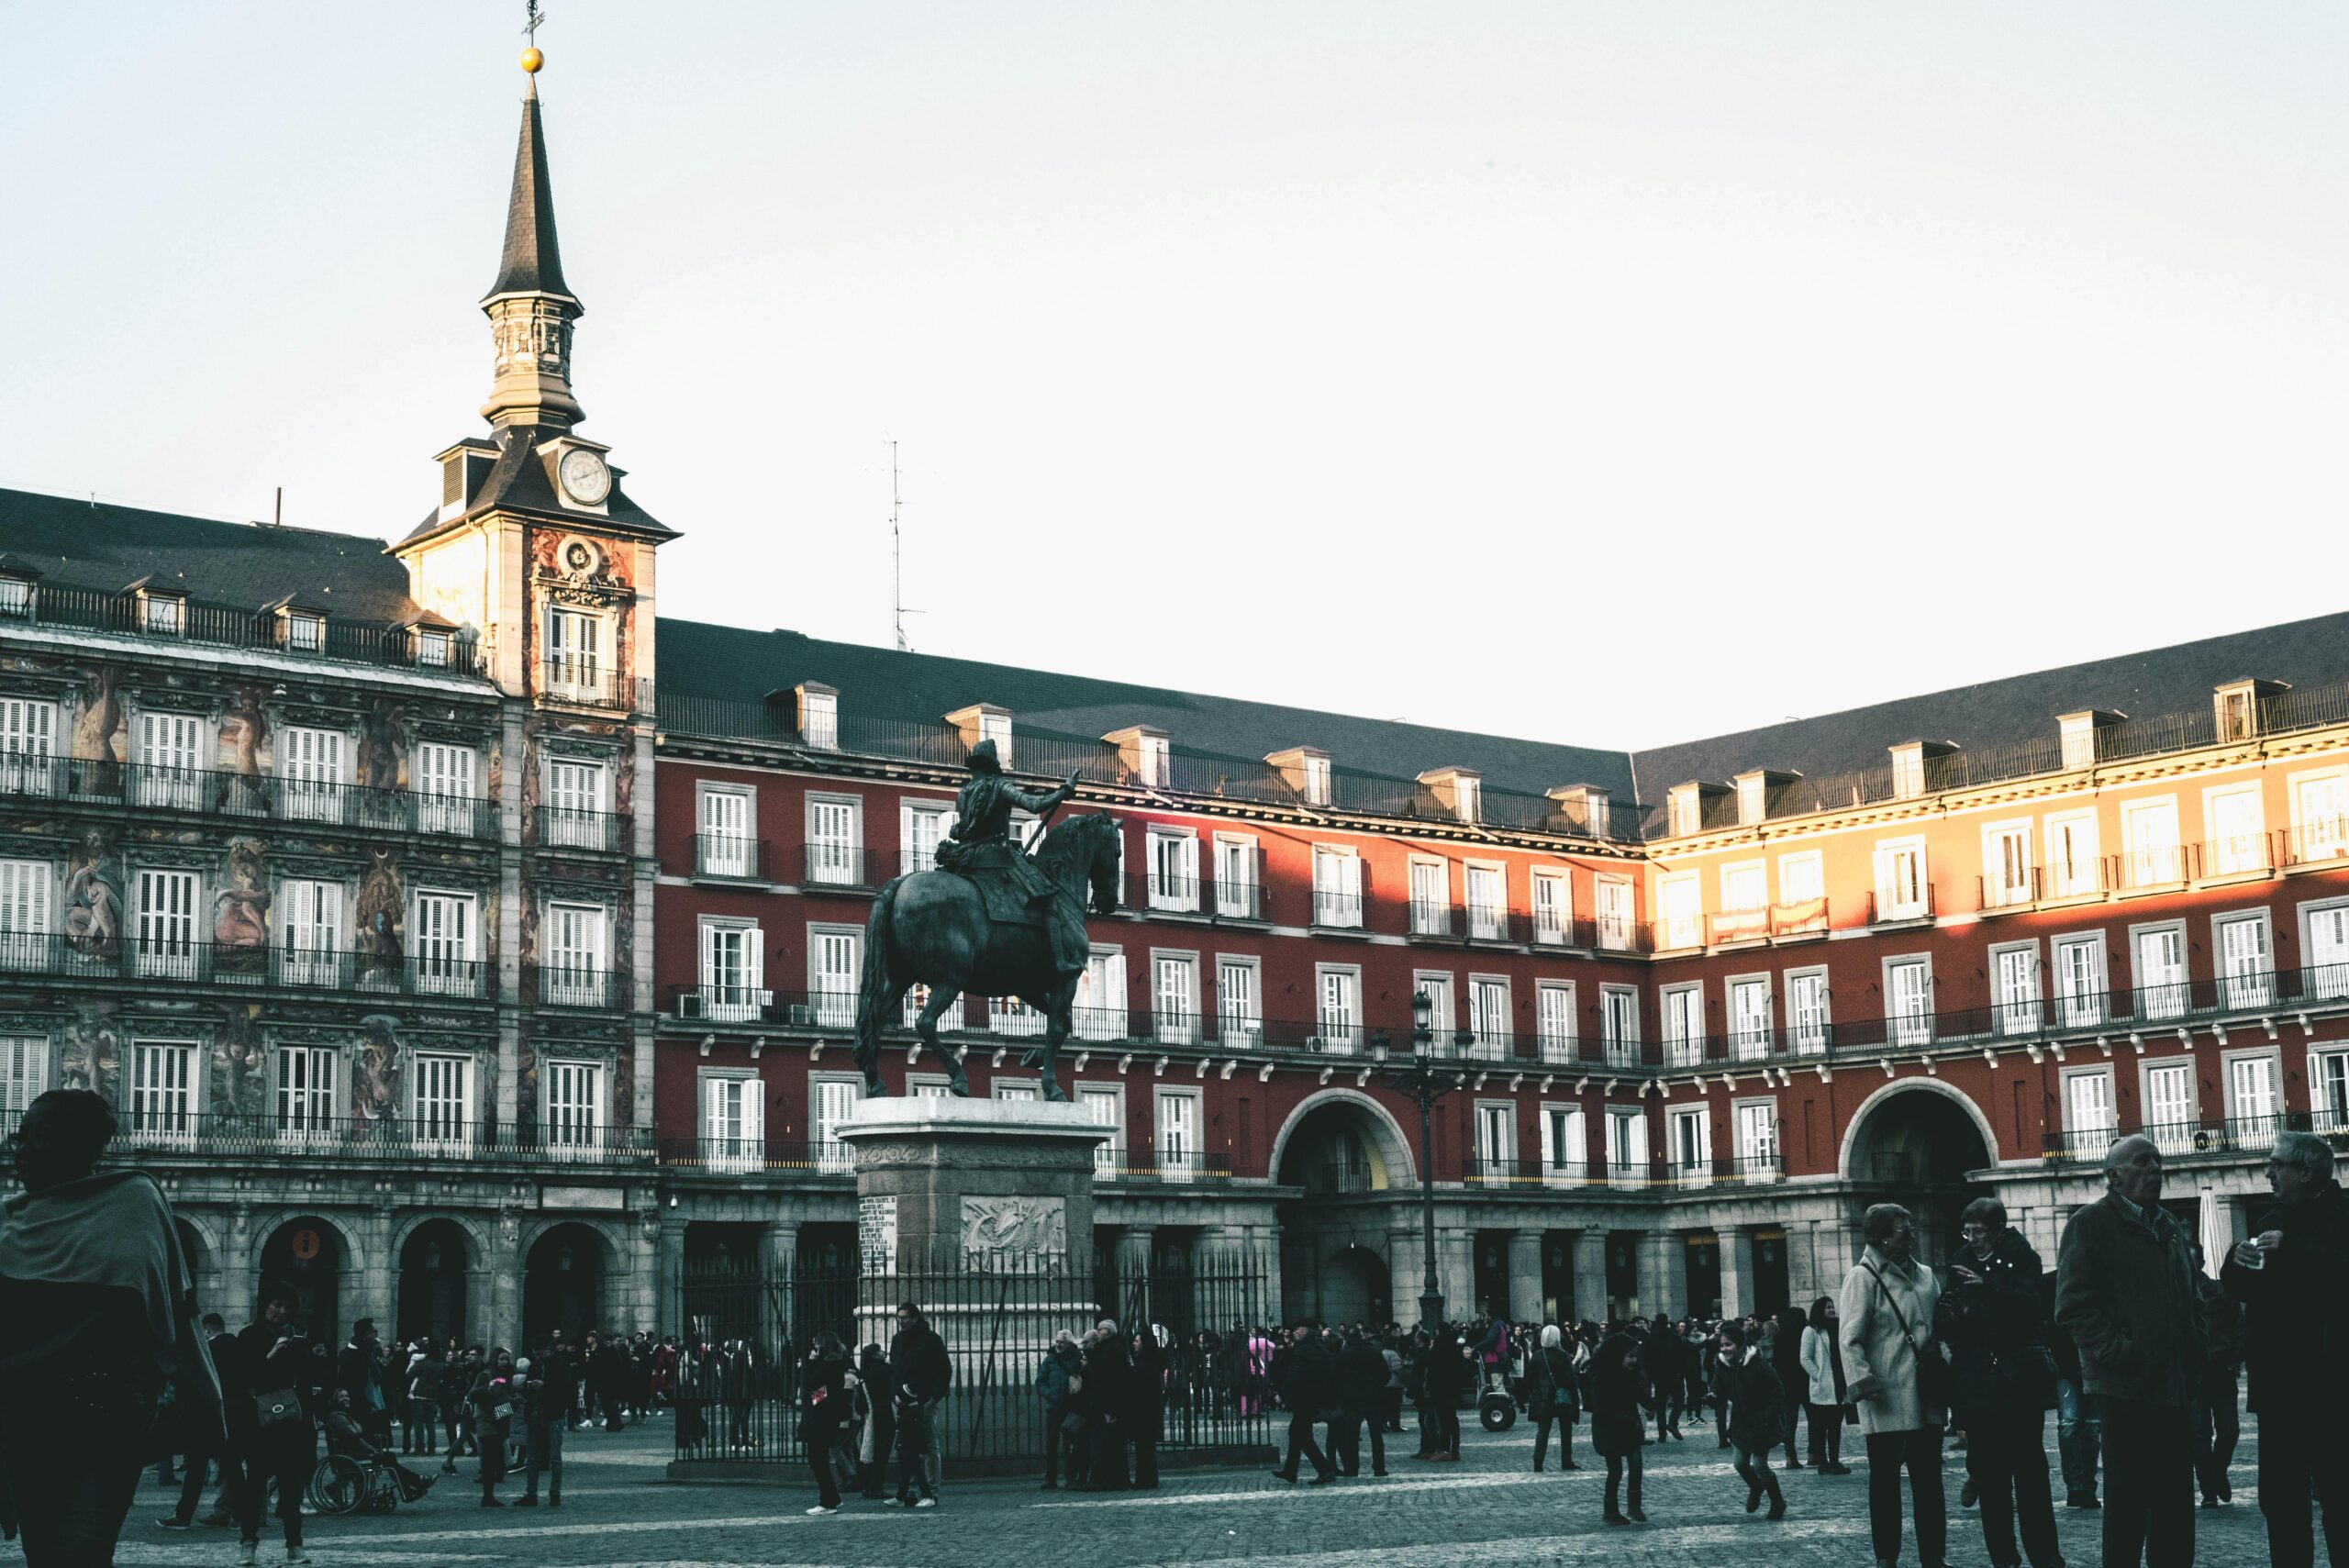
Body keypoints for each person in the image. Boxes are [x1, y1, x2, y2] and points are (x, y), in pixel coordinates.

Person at [0, 1089, 220, 1566]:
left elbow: (174, 1308)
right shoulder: (10, 1220)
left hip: (104, 1417)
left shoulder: (133, 1202)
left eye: (39, 1137)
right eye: (20, 1137)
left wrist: (204, 1394)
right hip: (25, 1420)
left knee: (83, 1550)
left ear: (83, 1146)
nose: (21, 1149)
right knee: (43, 1553)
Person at [2055, 1132, 2201, 1568]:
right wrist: (2121, 1353)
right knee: (2128, 1501)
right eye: (2143, 1163)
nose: (2155, 1170)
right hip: (2125, 1388)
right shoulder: (2090, 1224)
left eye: (2158, 1163)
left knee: (2175, 1502)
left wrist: (2199, 1351)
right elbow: (2072, 1307)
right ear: (2114, 1176)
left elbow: (2191, 1298)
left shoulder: (2169, 1225)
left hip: (2175, 1387)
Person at [2222, 1128, 2349, 1568]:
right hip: (2278, 1389)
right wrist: (2233, 1265)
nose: (2269, 1172)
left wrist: (2294, 1252)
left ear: (2306, 1171)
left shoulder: (2344, 1215)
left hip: (2334, 1386)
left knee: (2340, 1494)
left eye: (2277, 1165)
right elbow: (2245, 1292)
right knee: (2280, 1499)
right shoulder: (2268, 1220)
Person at [1935, 1196, 2060, 1568]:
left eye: (1980, 1232)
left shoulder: (2024, 1257)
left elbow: (2031, 1307)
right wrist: (1948, 1313)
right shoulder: (1961, 1258)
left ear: (1999, 1229)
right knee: (1990, 1477)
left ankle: (2045, 1555)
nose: (1973, 1239)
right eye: (1968, 1231)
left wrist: (1988, 1289)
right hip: (1976, 1382)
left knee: (2030, 1473)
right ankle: (2003, 1556)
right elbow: (1950, 1310)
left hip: (2018, 1379)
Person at [1840, 1201, 1948, 1568]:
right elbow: (1849, 1339)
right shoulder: (1863, 1277)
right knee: (1885, 1484)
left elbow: (1939, 1330)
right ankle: (1887, 1556)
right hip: (1885, 1394)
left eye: (1913, 1227)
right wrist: (1863, 1382)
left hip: (1925, 1391)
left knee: (1929, 1483)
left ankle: (1934, 1554)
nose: (1913, 1234)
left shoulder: (1926, 1275)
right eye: (1905, 1229)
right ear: (1881, 1237)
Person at [934, 740, 1087, 977]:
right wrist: (1064, 791)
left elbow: (964, 828)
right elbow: (1035, 805)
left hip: (967, 858)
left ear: (975, 766)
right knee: (1047, 896)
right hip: (996, 856)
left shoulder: (963, 793)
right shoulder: (1001, 786)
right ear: (992, 764)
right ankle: (1059, 960)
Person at [235, 1282, 319, 1565]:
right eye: (276, 1305)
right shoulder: (248, 1336)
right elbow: (242, 1377)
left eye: (286, 1307)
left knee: (290, 1485)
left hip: (289, 1425)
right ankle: (248, 1543)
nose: (280, 1311)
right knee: (255, 1483)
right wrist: (271, 1355)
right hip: (257, 1423)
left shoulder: (296, 1339)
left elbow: (306, 1382)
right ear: (265, 1305)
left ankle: (295, 1545)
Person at [322, 1385, 437, 1503]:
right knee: (388, 1457)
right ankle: (414, 1483)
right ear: (335, 1400)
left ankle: (410, 1487)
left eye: (347, 1396)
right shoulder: (338, 1417)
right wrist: (372, 1451)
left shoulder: (344, 1416)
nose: (346, 1398)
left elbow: (355, 1438)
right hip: (350, 1454)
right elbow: (352, 1438)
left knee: (388, 1457)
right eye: (341, 1397)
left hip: (352, 1452)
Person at [1721, 1321, 1787, 1519]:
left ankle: (1777, 1502)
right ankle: (1756, 1487)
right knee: (1740, 1464)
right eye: (1722, 1345)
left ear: (1740, 1345)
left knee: (1759, 1464)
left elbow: (1778, 1391)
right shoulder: (1723, 1366)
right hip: (1741, 1423)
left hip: (1761, 1423)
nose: (1725, 1349)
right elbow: (1719, 1388)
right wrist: (1712, 1396)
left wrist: (1769, 1414)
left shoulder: (1758, 1365)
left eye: (1729, 1345)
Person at [2189, 1261, 2241, 1509]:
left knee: (2229, 1429)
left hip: (2221, 1369)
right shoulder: (2176, 1292)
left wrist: (2234, 1358)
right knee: (2199, 1434)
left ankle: (2217, 1472)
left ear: (2200, 1263)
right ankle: (2208, 1489)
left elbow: (2238, 1326)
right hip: (2193, 1373)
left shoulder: (2219, 1292)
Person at [888, 1301, 950, 1507]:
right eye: (899, 1318)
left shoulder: (931, 1340)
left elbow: (944, 1371)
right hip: (903, 1400)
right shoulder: (897, 1340)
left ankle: (931, 1492)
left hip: (924, 1400)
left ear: (915, 1318)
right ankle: (909, 1492)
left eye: (904, 1318)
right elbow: (895, 1370)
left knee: (929, 1444)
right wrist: (896, 1394)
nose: (900, 1321)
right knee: (908, 1448)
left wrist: (933, 1398)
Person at [1589, 1329, 1646, 1525]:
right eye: (1630, 1356)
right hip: (1609, 1431)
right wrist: (1630, 1421)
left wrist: (1655, 1405)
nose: (1634, 1361)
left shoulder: (1629, 1374)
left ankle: (1634, 1506)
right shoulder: (1602, 1379)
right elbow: (1602, 1409)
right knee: (1615, 1471)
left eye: (1635, 1356)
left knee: (1636, 1463)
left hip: (1629, 1429)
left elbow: (1640, 1395)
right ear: (1617, 1356)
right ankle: (1610, 1511)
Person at [1270, 1320, 1337, 1484]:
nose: (1294, 1332)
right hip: (1313, 1397)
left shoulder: (1303, 1350)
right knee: (1297, 1433)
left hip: (1305, 1398)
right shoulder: (1318, 1347)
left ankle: (1325, 1470)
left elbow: (1295, 1373)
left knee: (1302, 1436)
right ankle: (1290, 1471)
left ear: (1306, 1331)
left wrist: (1283, 1394)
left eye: (1297, 1330)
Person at [798, 1333, 852, 1515]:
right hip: (824, 1416)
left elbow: (810, 1385)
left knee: (817, 1460)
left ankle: (828, 1501)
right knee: (818, 1459)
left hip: (820, 1419)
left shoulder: (827, 1364)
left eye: (815, 1343)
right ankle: (832, 1497)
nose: (812, 1346)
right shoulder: (834, 1364)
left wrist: (809, 1364)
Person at [1797, 1296, 1851, 1475]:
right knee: (1821, 1427)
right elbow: (1805, 1357)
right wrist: (1817, 1375)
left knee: (1835, 1427)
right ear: (1820, 1310)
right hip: (1823, 1385)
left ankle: (1835, 1461)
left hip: (1839, 1384)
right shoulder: (1811, 1331)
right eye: (1828, 1307)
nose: (1831, 1309)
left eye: (1832, 1306)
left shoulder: (1838, 1328)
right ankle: (1823, 1462)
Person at [1332, 1326, 1386, 1478]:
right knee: (1376, 1436)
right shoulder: (1375, 1352)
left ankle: (1352, 1469)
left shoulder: (1345, 1355)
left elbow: (1337, 1378)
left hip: (1353, 1401)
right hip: (1373, 1399)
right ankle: (1379, 1467)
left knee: (1351, 1436)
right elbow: (1385, 1375)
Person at [468, 1348, 519, 1507]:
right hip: (487, 1422)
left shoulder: (508, 1377)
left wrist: (514, 1403)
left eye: (507, 1359)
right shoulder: (485, 1375)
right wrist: (487, 1388)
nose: (505, 1362)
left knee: (496, 1461)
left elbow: (507, 1401)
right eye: (502, 1359)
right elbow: (472, 1395)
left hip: (500, 1421)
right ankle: (487, 1496)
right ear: (495, 1360)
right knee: (488, 1461)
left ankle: (489, 1495)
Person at [515, 1349, 563, 1507]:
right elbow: (524, 1393)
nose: (538, 1356)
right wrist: (530, 1388)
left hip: (552, 1414)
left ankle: (554, 1493)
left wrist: (545, 1386)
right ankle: (532, 1493)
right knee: (533, 1458)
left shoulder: (559, 1365)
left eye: (540, 1353)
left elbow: (564, 1390)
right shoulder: (534, 1367)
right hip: (535, 1416)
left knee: (554, 1457)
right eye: (536, 1354)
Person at [1529, 1322, 1580, 1471]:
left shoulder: (1538, 1355)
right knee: (1566, 1429)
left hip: (1544, 1398)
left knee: (1543, 1430)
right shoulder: (1562, 1355)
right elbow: (1570, 1379)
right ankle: (1566, 1460)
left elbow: (1530, 1378)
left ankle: (1538, 1462)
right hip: (1561, 1397)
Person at [1035, 1329, 1082, 1489]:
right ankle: (1051, 1477)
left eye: (1061, 1342)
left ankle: (1071, 1477)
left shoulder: (1077, 1358)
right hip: (1054, 1407)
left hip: (1071, 1406)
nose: (1058, 1344)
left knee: (1070, 1444)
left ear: (1069, 1343)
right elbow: (1040, 1381)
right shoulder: (1050, 1359)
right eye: (1057, 1341)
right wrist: (1050, 1394)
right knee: (1051, 1443)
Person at [852, 1342, 896, 1499]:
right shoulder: (883, 1370)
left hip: (871, 1414)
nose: (883, 1352)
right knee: (882, 1451)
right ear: (873, 1355)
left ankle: (868, 1485)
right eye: (879, 1351)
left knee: (871, 1450)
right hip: (883, 1411)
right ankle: (876, 1486)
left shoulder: (865, 1372)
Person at [1130, 1322, 1168, 1489]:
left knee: (1144, 1448)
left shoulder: (1144, 1364)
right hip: (1148, 1410)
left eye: (1137, 1341)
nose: (1134, 1344)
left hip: (1144, 1411)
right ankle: (1147, 1478)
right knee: (1146, 1448)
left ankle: (1144, 1479)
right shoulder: (1150, 1362)